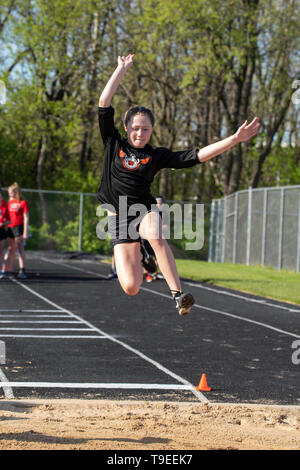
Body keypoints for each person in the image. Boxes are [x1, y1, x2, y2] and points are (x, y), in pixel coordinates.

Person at [97, 54, 260, 315]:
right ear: (127, 127)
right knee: (131, 286)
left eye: (146, 129)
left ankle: (178, 294)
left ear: (152, 131)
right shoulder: (113, 143)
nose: (140, 133)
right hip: (118, 215)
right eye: (136, 128)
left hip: (142, 209)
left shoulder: (156, 155)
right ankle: (143, 254)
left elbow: (197, 156)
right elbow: (104, 103)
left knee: (155, 234)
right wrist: (120, 70)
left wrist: (234, 139)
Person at [4, 182, 29, 279]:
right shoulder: (10, 201)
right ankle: (10, 268)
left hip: (19, 227)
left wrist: (25, 232)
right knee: (10, 248)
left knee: (20, 249)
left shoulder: (23, 202)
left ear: (16, 192)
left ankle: (22, 270)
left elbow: (26, 218)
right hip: (10, 227)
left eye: (10, 192)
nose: (9, 194)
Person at [0, 188, 10, 279]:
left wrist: (4, 223)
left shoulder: (4, 207)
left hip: (2, 231)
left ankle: (1, 270)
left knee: (1, 252)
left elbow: (9, 221)